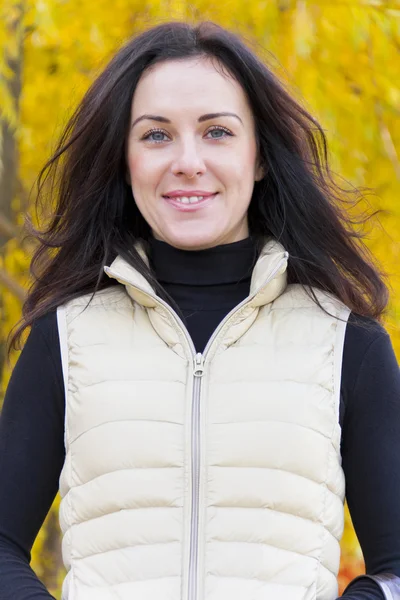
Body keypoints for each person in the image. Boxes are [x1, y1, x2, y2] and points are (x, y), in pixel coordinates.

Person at [0, 19, 399, 600]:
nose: (187, 161)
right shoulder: (65, 337)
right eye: (156, 136)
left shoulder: (348, 343)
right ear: (124, 160)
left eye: (217, 132)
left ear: (260, 156)